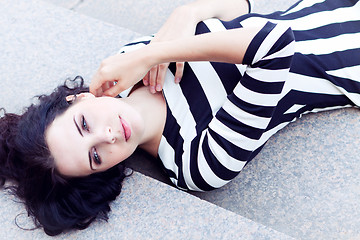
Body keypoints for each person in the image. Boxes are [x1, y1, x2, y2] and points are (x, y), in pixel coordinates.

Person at [0, 0, 359, 235]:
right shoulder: (198, 161)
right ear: (104, 173)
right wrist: (159, 50)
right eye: (95, 156)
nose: (108, 136)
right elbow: (276, 45)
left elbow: (242, 6)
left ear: (77, 99)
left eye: (84, 124)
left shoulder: (124, 67)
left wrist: (186, 13)